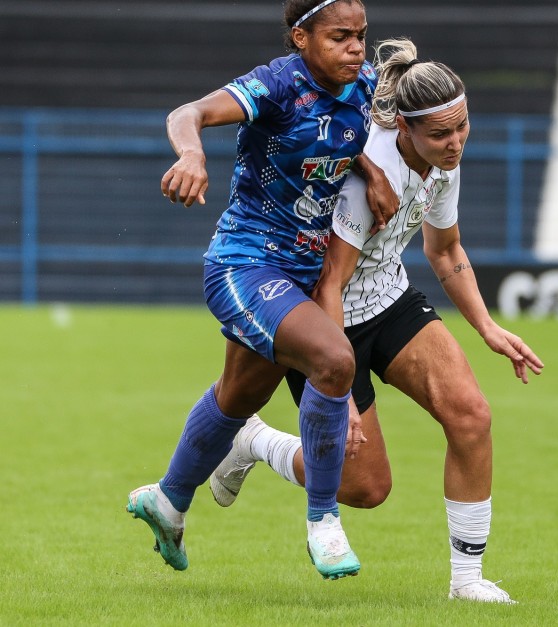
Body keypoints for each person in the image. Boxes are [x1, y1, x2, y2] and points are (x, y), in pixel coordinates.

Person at [208, 38, 544, 603]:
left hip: (389, 299)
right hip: (325, 316)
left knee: (471, 416)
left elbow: (446, 250)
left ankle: (467, 582)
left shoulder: (444, 161)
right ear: (403, 131)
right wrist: (333, 388)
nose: (456, 142)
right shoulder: (371, 173)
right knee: (365, 488)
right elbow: (330, 282)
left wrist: (488, 329)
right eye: (440, 134)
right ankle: (254, 442)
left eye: (462, 127)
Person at [125, 0, 398, 581]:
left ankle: (168, 501)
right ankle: (322, 522)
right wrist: (192, 154)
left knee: (237, 396)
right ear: (301, 37)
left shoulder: (367, 86)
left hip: (301, 273)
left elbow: (349, 148)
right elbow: (188, 111)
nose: (356, 47)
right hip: (246, 265)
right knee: (332, 359)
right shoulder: (277, 85)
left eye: (362, 36)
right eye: (340, 36)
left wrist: (371, 172)